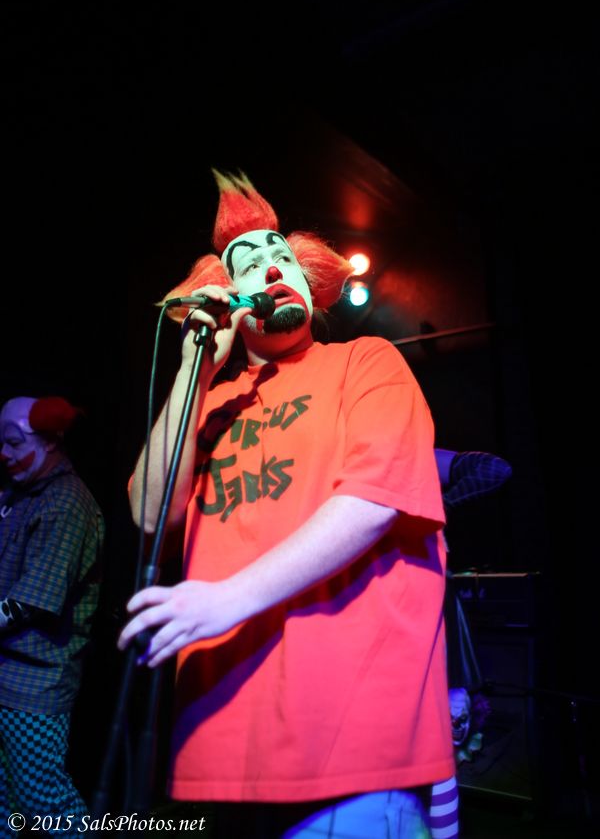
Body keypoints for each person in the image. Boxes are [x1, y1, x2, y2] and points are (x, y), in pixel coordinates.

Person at [119, 171, 454, 838]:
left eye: (282, 258)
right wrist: (196, 370)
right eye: (249, 264)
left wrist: (228, 598)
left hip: (352, 743)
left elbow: (374, 500)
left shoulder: (366, 361)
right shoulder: (209, 402)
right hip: (217, 744)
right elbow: (150, 514)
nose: (272, 268)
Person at [0, 396, 104, 834]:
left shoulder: (66, 503)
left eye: (13, 442)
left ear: (49, 443)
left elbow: (30, 602)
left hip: (34, 684)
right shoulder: (19, 494)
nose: (4, 453)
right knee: (5, 804)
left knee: (45, 801)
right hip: (6, 677)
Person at [428, 448, 512, 839]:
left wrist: (434, 507)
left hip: (432, 603)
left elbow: (493, 469)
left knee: (444, 737)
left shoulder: (412, 450)